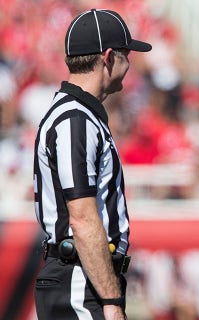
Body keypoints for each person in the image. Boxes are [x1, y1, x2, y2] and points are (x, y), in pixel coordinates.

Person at [33, 9, 151, 320]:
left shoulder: (78, 115)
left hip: (83, 276)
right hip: (80, 279)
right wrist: (110, 300)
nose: (129, 66)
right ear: (109, 57)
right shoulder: (76, 120)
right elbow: (82, 219)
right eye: (127, 55)